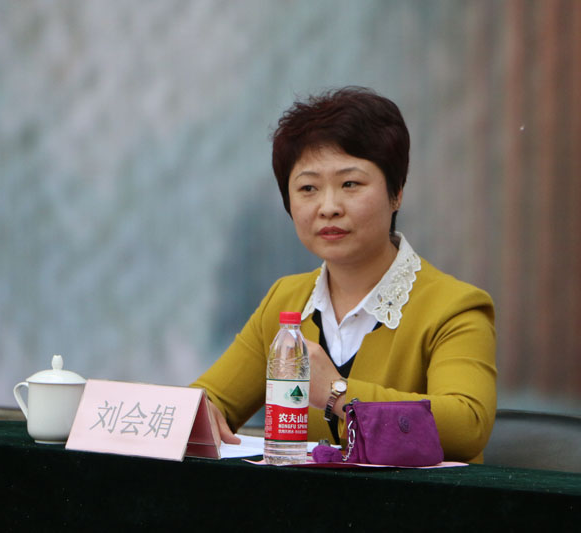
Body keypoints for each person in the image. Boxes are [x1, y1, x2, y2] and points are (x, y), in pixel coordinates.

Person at [192, 86, 496, 463]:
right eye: (308, 188)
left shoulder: (455, 307)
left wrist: (336, 392)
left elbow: (466, 426)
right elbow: (208, 401)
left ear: (396, 193)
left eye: (350, 184)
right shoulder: (286, 300)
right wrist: (201, 412)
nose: (329, 207)